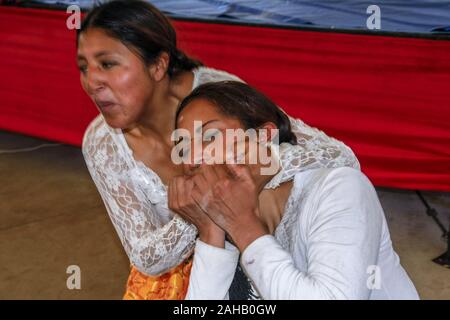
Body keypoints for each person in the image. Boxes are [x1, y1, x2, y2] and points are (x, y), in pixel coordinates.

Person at [78, 0, 359, 299]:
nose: (91, 81)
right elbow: (146, 257)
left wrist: (240, 175)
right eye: (83, 67)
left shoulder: (215, 92)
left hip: (255, 244)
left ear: (158, 65)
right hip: (187, 276)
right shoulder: (101, 144)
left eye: (107, 64)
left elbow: (337, 154)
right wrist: (200, 213)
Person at [171, 81, 419, 300]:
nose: (192, 159)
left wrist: (242, 226)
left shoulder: (340, 189)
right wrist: (211, 233)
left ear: (264, 137)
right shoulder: (223, 224)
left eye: (210, 136)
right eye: (182, 148)